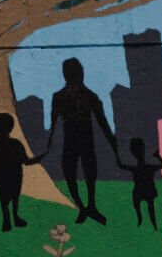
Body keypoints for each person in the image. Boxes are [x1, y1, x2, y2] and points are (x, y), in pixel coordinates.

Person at [47, 58, 117, 225]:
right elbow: (53, 124)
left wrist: (113, 144)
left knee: (90, 174)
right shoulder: (59, 97)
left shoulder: (90, 96)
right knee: (70, 175)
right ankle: (83, 207)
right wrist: (48, 147)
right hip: (71, 143)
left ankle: (91, 206)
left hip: (86, 142)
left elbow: (102, 122)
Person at [0, 112, 45, 232]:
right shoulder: (15, 144)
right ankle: (13, 218)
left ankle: (8, 220)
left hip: (5, 178)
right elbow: (26, 161)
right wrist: (41, 158)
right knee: (14, 197)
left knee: (5, 199)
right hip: (14, 176)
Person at [116, 137, 162, 229]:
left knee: (144, 207)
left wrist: (117, 156)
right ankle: (149, 223)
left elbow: (122, 166)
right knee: (149, 208)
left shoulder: (138, 168)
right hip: (146, 190)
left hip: (140, 191)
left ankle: (142, 220)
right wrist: (157, 156)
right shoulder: (148, 167)